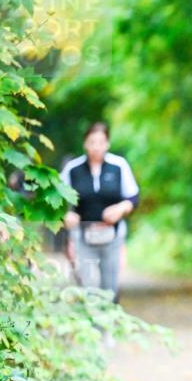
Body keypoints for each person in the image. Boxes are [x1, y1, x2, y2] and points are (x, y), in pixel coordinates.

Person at [60, 122, 140, 300]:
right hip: (83, 236)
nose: (96, 147)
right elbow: (56, 199)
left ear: (107, 144)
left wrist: (120, 208)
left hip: (112, 235)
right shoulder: (72, 169)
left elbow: (134, 197)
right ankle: (92, 326)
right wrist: (65, 215)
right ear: (85, 144)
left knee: (110, 289)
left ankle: (111, 326)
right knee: (88, 289)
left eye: (100, 142)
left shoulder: (119, 165)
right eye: (91, 142)